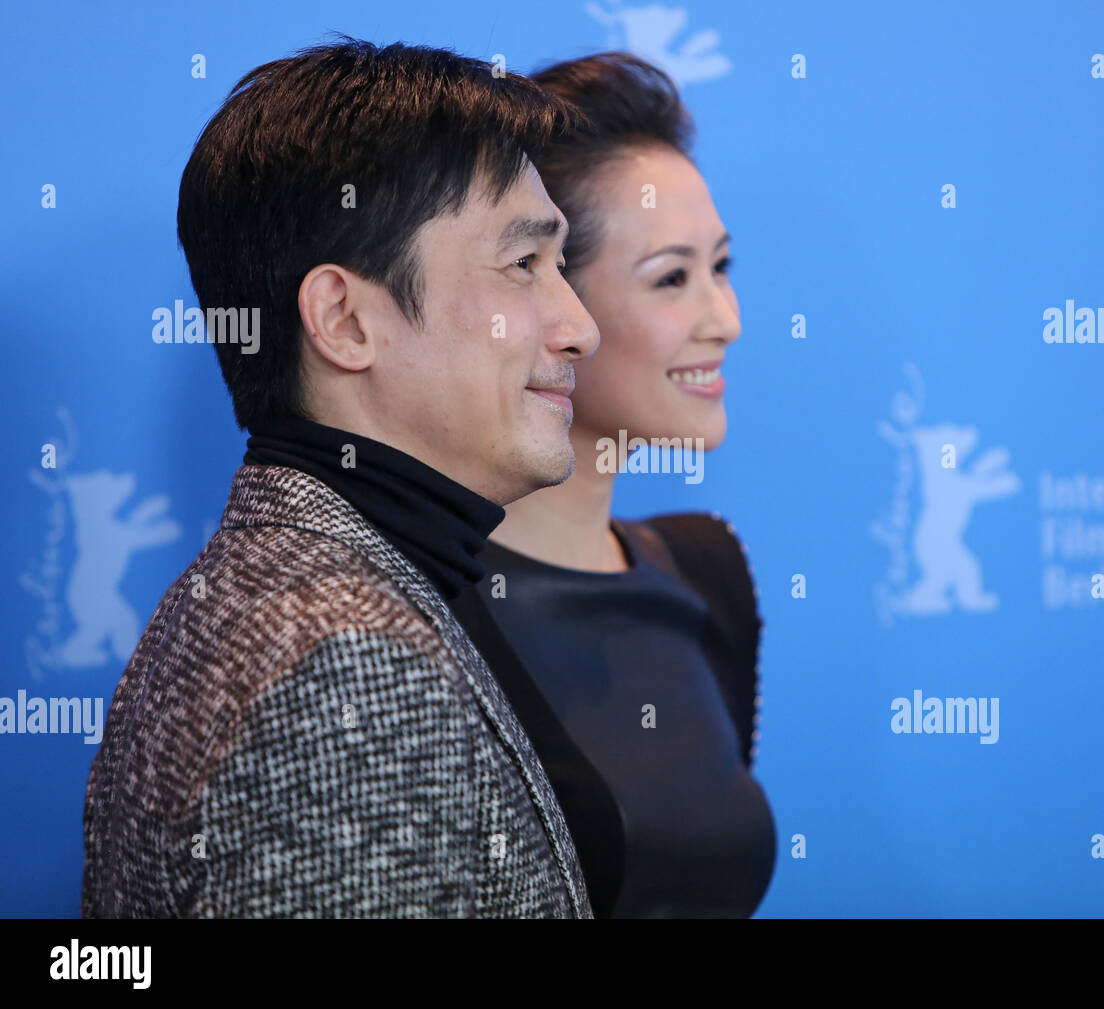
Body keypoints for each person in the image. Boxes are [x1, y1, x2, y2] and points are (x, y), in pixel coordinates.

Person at [81, 38, 601, 918]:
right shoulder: (347, 669)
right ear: (345, 321)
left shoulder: (282, 593)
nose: (580, 326)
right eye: (523, 264)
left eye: (562, 266)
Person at [449, 52, 776, 918]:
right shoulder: (419, 607)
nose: (726, 321)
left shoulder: (706, 569)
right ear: (551, 301)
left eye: (722, 267)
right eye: (672, 278)